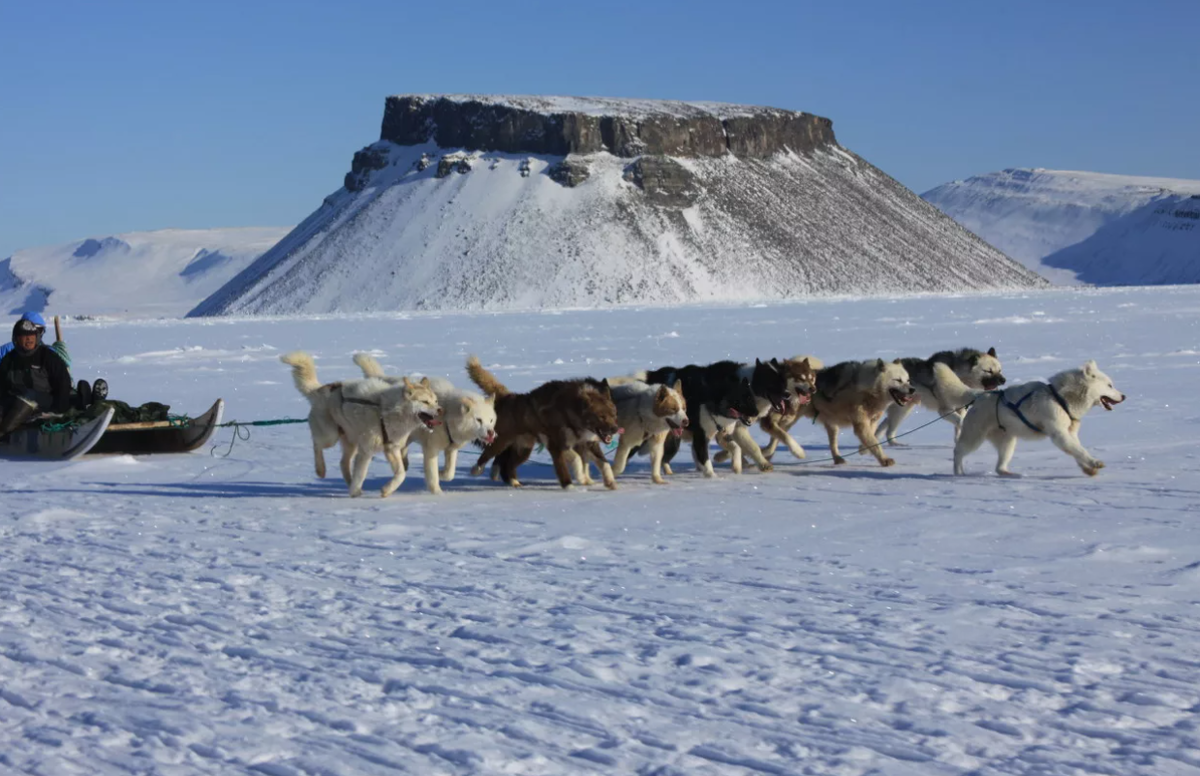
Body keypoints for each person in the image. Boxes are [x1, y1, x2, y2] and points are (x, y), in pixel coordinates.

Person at [0, 317, 74, 437]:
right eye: (24, 336)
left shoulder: (48, 357)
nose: (29, 338)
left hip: (45, 404)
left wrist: (59, 410)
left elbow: (63, 383)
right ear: (16, 339)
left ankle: (3, 432)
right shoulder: (9, 360)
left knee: (28, 396)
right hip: (15, 403)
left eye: (32, 335)